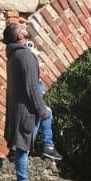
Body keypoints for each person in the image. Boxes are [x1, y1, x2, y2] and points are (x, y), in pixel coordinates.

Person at [3, 22, 49, 181]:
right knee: (23, 146)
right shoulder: (24, 55)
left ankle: (48, 144)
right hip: (26, 109)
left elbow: (29, 84)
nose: (25, 27)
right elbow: (31, 87)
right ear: (20, 36)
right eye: (21, 28)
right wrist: (40, 108)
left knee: (23, 143)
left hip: (20, 107)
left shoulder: (14, 55)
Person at [26, 28, 62, 162]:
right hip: (30, 110)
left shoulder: (34, 76)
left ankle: (46, 146)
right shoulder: (31, 75)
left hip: (31, 107)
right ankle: (44, 146)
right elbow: (33, 94)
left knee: (46, 111)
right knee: (44, 113)